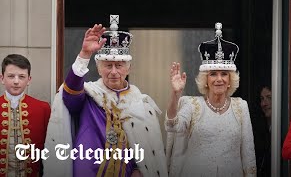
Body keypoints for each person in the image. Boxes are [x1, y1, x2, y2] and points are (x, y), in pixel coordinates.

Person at [44, 15, 167, 177]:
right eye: (108, 65)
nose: (114, 71)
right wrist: (84, 54)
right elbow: (69, 94)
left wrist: (138, 168)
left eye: (119, 65)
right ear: (98, 67)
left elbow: (146, 146)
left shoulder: (141, 103)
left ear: (128, 69)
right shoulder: (88, 95)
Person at [165, 23, 256, 177]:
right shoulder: (192, 105)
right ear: (205, 79)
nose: (219, 79)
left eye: (224, 74)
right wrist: (175, 94)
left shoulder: (241, 106)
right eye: (213, 74)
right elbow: (172, 126)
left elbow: (248, 154)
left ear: (230, 80)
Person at [0, 54, 51, 176]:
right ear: (2, 78)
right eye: (11, 76)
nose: (16, 81)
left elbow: (49, 150)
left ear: (29, 80)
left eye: (22, 76)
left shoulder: (43, 108)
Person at [251, 85, 271, 177]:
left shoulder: (282, 130)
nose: (264, 103)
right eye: (262, 99)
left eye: (269, 98)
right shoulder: (259, 129)